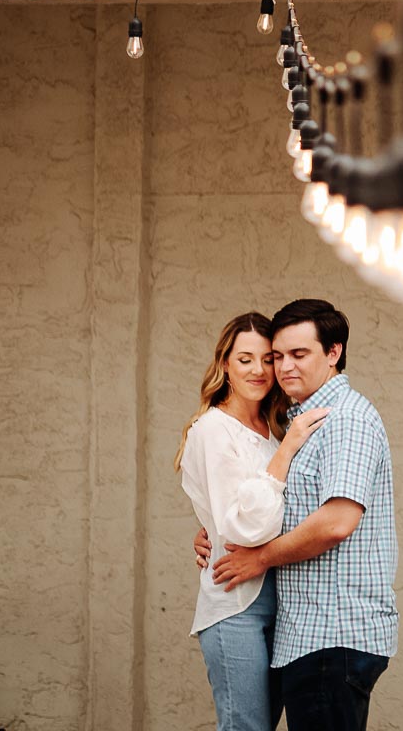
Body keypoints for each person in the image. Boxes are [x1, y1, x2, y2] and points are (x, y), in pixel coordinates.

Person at [205, 298, 399, 731]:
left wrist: (259, 558)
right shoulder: (305, 425)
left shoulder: (346, 419)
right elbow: (277, 508)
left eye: (300, 354)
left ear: (333, 353)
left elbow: (336, 522)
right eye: (278, 356)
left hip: (334, 636)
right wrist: (215, 532)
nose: (284, 367)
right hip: (309, 638)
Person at [177, 312, 330, 731]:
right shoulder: (212, 430)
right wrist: (288, 450)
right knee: (246, 727)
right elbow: (243, 528)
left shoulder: (273, 428)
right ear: (225, 363)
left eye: (268, 359)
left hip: (281, 599)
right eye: (245, 359)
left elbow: (276, 511)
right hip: (235, 602)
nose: (259, 370)